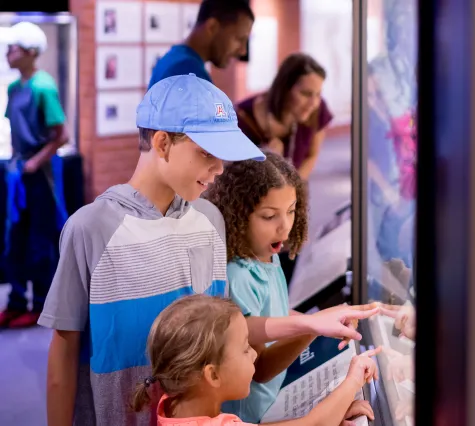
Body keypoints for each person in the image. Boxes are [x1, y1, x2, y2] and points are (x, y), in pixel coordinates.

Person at [38, 74, 380, 426]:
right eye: (207, 154)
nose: (218, 169)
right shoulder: (90, 228)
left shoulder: (210, 220)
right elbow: (62, 357)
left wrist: (308, 322)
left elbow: (229, 330)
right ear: (162, 142)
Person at [132, 294, 380, 426]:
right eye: (244, 349)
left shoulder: (174, 403)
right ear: (213, 375)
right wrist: (354, 379)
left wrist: (334, 413)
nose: (254, 353)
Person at [203, 151, 317, 421]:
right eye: (269, 216)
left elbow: (274, 315)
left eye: (291, 211)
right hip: (253, 414)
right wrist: (311, 328)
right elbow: (261, 368)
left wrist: (327, 323)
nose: (285, 227)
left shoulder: (268, 256)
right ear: (238, 216)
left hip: (273, 399)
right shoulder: (238, 276)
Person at [0, 21, 69, 328]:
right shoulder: (14, 88)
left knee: (41, 240)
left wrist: (36, 160)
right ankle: (15, 301)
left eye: (12, 48)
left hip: (40, 174)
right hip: (19, 173)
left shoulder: (43, 86)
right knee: (13, 239)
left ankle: (40, 305)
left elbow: (61, 134)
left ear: (29, 52)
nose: (7, 53)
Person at [236, 53, 333, 182]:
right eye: (305, 93)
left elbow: (312, 155)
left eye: (318, 94)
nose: (314, 103)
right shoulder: (241, 118)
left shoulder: (319, 109)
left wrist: (293, 187)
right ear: (284, 88)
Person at [148, 0, 253, 88]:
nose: (243, 51)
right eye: (239, 39)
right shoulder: (187, 71)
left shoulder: (173, 59)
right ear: (212, 27)